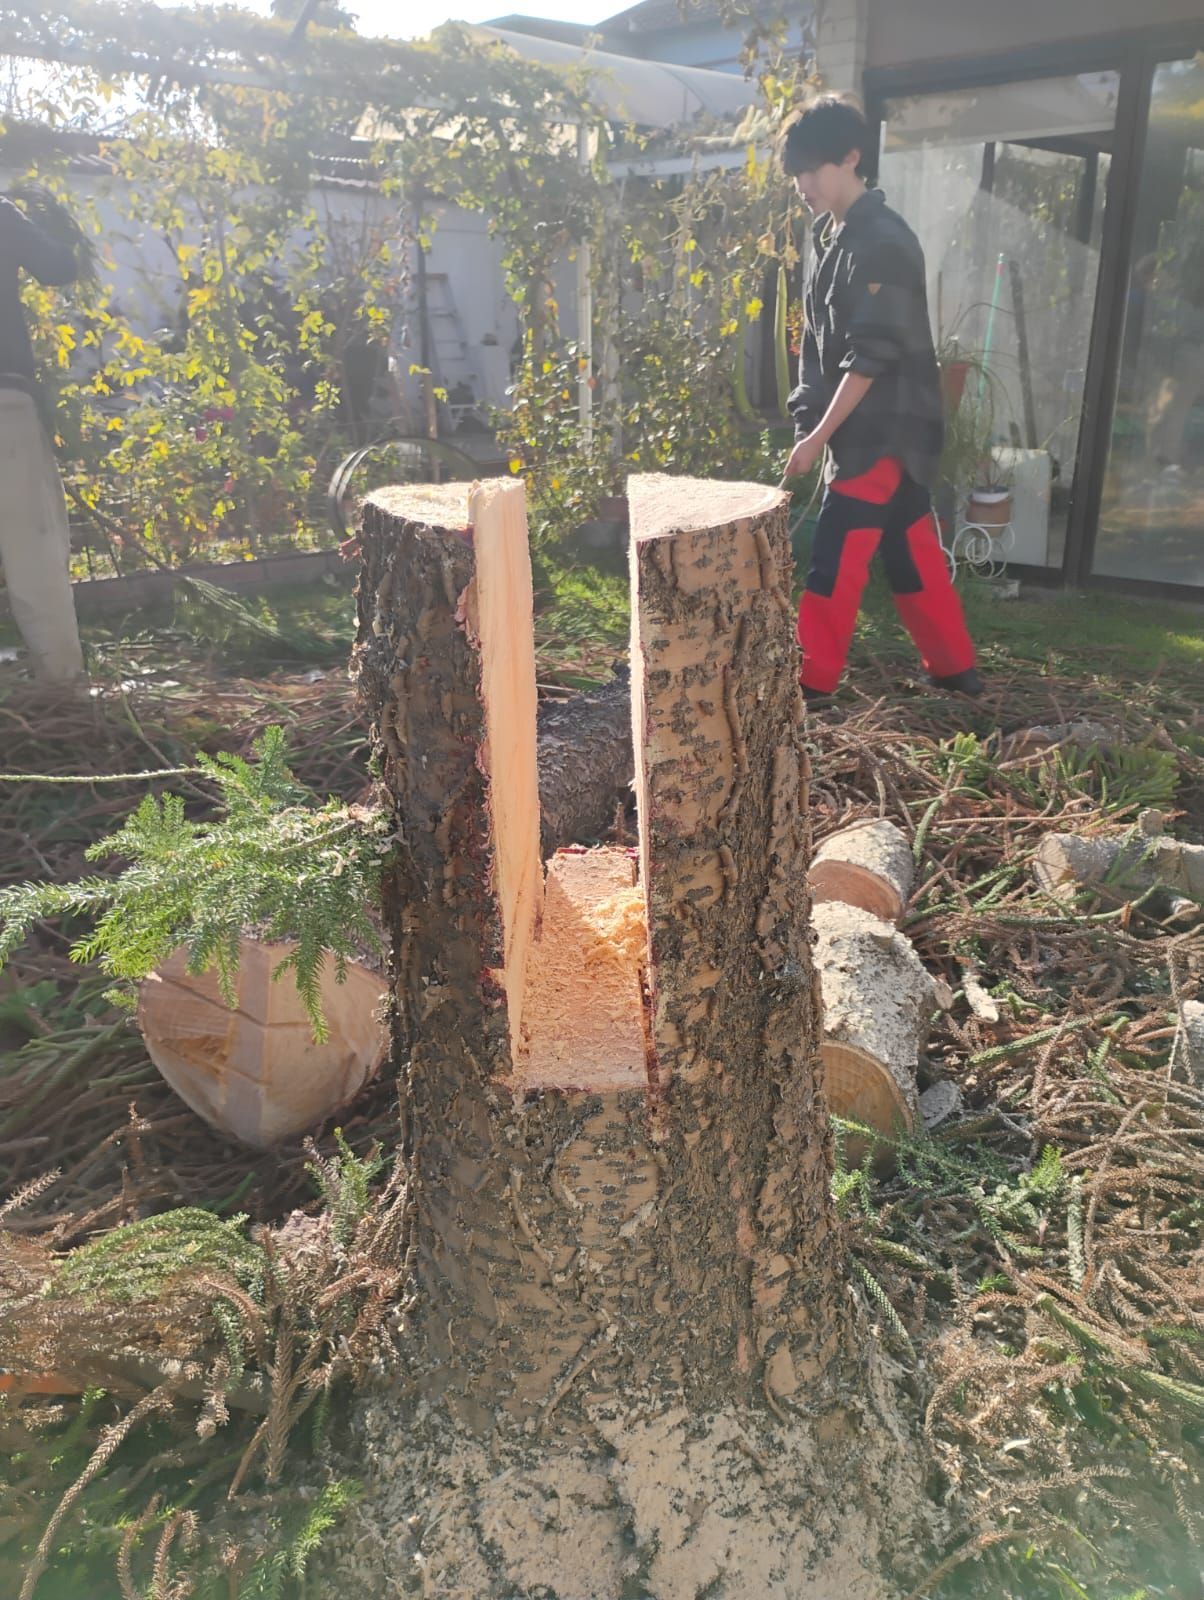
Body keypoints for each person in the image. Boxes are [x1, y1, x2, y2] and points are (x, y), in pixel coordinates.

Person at [780, 97, 983, 705]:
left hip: (887, 429)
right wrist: (807, 416)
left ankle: (809, 683)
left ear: (851, 158)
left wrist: (817, 439)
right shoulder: (833, 235)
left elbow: (871, 356)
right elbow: (821, 345)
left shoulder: (883, 241)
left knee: (837, 555)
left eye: (812, 169)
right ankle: (955, 671)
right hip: (870, 429)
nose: (802, 185)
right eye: (795, 173)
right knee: (910, 547)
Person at [0, 189, 85, 684]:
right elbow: (59, 266)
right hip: (5, 403)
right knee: (34, 552)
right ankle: (65, 691)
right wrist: (39, 216)